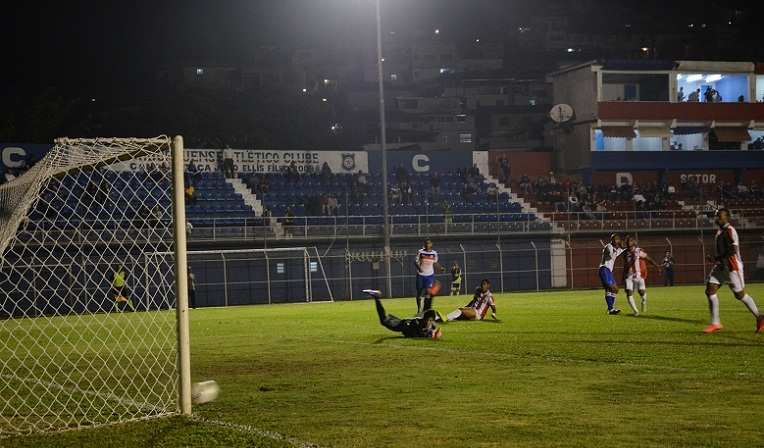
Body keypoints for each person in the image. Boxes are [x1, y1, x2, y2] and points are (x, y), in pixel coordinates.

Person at [703, 208, 764, 333]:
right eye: (716, 216)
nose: (717, 219)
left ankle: (760, 317)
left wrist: (716, 258)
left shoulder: (730, 231)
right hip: (721, 266)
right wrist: (717, 259)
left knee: (740, 295)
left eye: (720, 216)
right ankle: (716, 323)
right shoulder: (721, 231)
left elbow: (732, 251)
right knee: (710, 290)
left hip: (732, 267)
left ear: (727, 217)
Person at [363, 289, 443, 340]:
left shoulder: (428, 323)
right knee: (383, 320)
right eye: (430, 320)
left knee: (384, 319)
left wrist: (434, 332)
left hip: (402, 322)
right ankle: (377, 297)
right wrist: (432, 334)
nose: (432, 321)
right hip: (399, 325)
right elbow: (413, 335)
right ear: (427, 319)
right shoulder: (418, 323)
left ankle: (376, 297)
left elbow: (434, 328)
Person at [622, 237, 659, 315]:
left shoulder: (638, 251)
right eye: (627, 242)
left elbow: (649, 259)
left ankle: (644, 301)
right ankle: (635, 311)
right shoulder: (625, 252)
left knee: (641, 292)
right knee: (629, 292)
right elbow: (625, 264)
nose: (628, 243)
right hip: (628, 276)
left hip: (638, 275)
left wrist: (657, 266)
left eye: (630, 241)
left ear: (633, 243)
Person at [598, 233, 627, 315]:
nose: (615, 240)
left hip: (609, 271)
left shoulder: (616, 249)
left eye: (617, 239)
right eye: (614, 239)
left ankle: (611, 308)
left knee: (615, 290)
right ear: (611, 240)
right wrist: (619, 247)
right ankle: (611, 309)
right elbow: (609, 255)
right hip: (604, 269)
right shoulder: (609, 247)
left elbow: (624, 249)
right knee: (610, 288)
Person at [415, 239, 443, 314]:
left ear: (431, 244)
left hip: (429, 276)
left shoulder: (434, 253)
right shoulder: (420, 252)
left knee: (428, 293)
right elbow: (415, 262)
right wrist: (419, 268)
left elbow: (435, 263)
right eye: (426, 243)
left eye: (429, 243)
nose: (427, 244)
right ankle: (419, 309)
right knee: (419, 293)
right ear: (424, 244)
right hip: (420, 275)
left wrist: (440, 268)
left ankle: (426, 310)